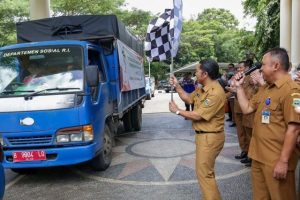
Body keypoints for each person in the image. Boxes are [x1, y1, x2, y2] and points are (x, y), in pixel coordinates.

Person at [232, 47, 300, 200]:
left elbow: (294, 129)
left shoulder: (292, 91)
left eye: (263, 64)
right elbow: (247, 108)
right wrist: (239, 87)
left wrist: (283, 162)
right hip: (258, 156)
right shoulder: (266, 89)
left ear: (275, 65)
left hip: (276, 160)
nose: (260, 69)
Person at [169, 59, 225, 200]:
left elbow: (198, 115)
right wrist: (177, 85)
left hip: (210, 137)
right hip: (204, 136)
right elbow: (189, 99)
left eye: (197, 71)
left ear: (205, 73)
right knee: (204, 173)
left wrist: (177, 111)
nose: (195, 73)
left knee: (205, 175)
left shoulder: (215, 92)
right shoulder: (202, 88)